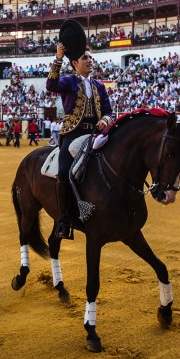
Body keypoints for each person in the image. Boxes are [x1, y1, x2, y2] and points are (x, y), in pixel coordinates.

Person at [46, 20, 113, 239]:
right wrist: (58, 58)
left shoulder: (99, 86)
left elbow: (108, 110)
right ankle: (64, 219)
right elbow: (51, 86)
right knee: (64, 171)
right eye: (85, 58)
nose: (89, 61)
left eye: (90, 57)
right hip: (72, 134)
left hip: (94, 134)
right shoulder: (67, 81)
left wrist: (104, 120)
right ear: (74, 63)